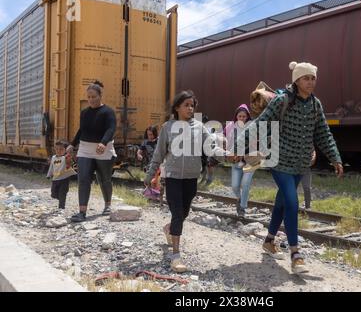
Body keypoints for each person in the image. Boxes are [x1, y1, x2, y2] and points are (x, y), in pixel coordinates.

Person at [238, 61, 344, 274]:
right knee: (292, 203)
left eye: (313, 78)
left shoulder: (316, 105)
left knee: (282, 203)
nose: (311, 82)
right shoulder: (282, 101)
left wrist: (335, 158)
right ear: (297, 80)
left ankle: (269, 241)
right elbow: (261, 123)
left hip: (301, 163)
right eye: (306, 78)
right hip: (279, 160)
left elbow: (323, 133)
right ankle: (295, 254)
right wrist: (238, 144)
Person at [144, 90, 229, 273]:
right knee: (177, 214)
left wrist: (230, 156)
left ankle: (169, 229)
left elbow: (212, 148)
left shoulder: (200, 127)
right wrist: (149, 174)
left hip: (191, 178)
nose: (190, 108)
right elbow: (158, 154)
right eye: (186, 105)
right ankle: (175, 255)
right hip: (173, 177)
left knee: (184, 213)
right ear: (177, 107)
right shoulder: (168, 127)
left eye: (192, 105)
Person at [67, 80, 117, 223]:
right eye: (88, 97)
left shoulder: (108, 112)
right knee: (83, 179)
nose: (91, 100)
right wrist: (72, 144)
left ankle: (107, 205)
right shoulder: (84, 113)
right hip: (85, 149)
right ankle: (82, 212)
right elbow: (81, 130)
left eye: (94, 96)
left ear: (100, 96)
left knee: (104, 179)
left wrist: (103, 142)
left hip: (104, 148)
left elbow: (111, 129)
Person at [224, 104, 254, 216]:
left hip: (250, 161)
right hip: (236, 161)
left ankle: (242, 207)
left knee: (245, 184)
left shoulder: (252, 127)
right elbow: (225, 140)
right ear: (236, 116)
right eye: (239, 116)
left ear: (247, 117)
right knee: (235, 186)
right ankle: (239, 199)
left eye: (244, 116)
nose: (241, 118)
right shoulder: (230, 127)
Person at [47, 140, 77, 210]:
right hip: (55, 179)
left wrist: (69, 157)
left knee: (62, 193)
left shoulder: (66, 158)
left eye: (61, 149)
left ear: (65, 150)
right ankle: (60, 198)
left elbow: (70, 163)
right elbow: (51, 167)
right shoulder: (53, 158)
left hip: (64, 179)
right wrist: (49, 174)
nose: (58, 151)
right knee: (53, 194)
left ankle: (61, 208)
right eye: (57, 149)